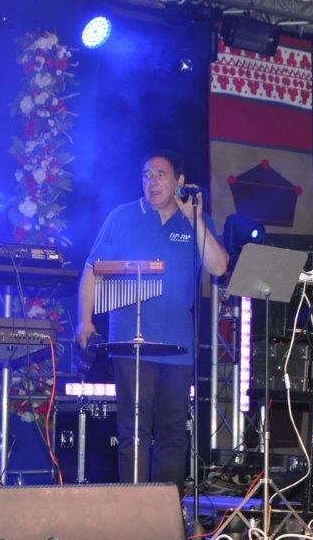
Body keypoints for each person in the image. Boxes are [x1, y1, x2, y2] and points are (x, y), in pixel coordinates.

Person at [75, 151, 228, 492]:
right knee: (133, 431)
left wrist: (194, 218)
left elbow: (218, 267)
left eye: (160, 174)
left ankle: (166, 510)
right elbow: (92, 270)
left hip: (178, 346)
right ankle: (135, 509)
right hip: (131, 344)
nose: (152, 181)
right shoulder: (123, 216)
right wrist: (84, 321)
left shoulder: (196, 220)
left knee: (173, 431)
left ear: (179, 181)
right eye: (147, 175)